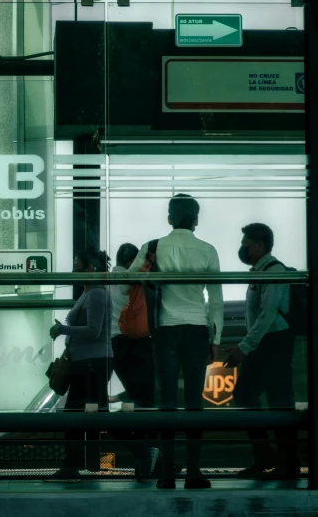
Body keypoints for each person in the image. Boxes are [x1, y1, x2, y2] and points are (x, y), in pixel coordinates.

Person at [128, 193, 224, 490]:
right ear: (196, 220)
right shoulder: (208, 250)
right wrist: (216, 338)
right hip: (197, 329)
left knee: (166, 401)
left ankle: (166, 473)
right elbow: (216, 300)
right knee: (195, 402)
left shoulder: (153, 246)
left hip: (165, 329)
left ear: (169, 218)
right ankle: (194, 472)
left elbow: (129, 277)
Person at [224, 223, 300, 480]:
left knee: (280, 402)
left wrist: (243, 348)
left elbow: (267, 316)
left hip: (275, 342)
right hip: (263, 344)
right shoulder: (260, 270)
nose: (242, 247)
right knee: (246, 395)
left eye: (246, 243)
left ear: (259, 245)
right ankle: (266, 456)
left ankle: (287, 464)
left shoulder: (274, 271)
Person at [48, 247, 113, 482]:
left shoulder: (96, 293)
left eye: (77, 265)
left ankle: (70, 467)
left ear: (90, 269)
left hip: (92, 363)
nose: (74, 269)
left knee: (75, 414)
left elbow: (94, 331)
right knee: (92, 414)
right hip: (86, 362)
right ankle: (71, 466)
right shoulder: (88, 293)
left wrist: (62, 329)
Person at [110, 242, 155, 408]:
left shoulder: (106, 281)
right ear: (131, 262)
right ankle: (145, 430)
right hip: (135, 341)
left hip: (114, 343)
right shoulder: (133, 281)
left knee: (133, 390)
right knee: (146, 394)